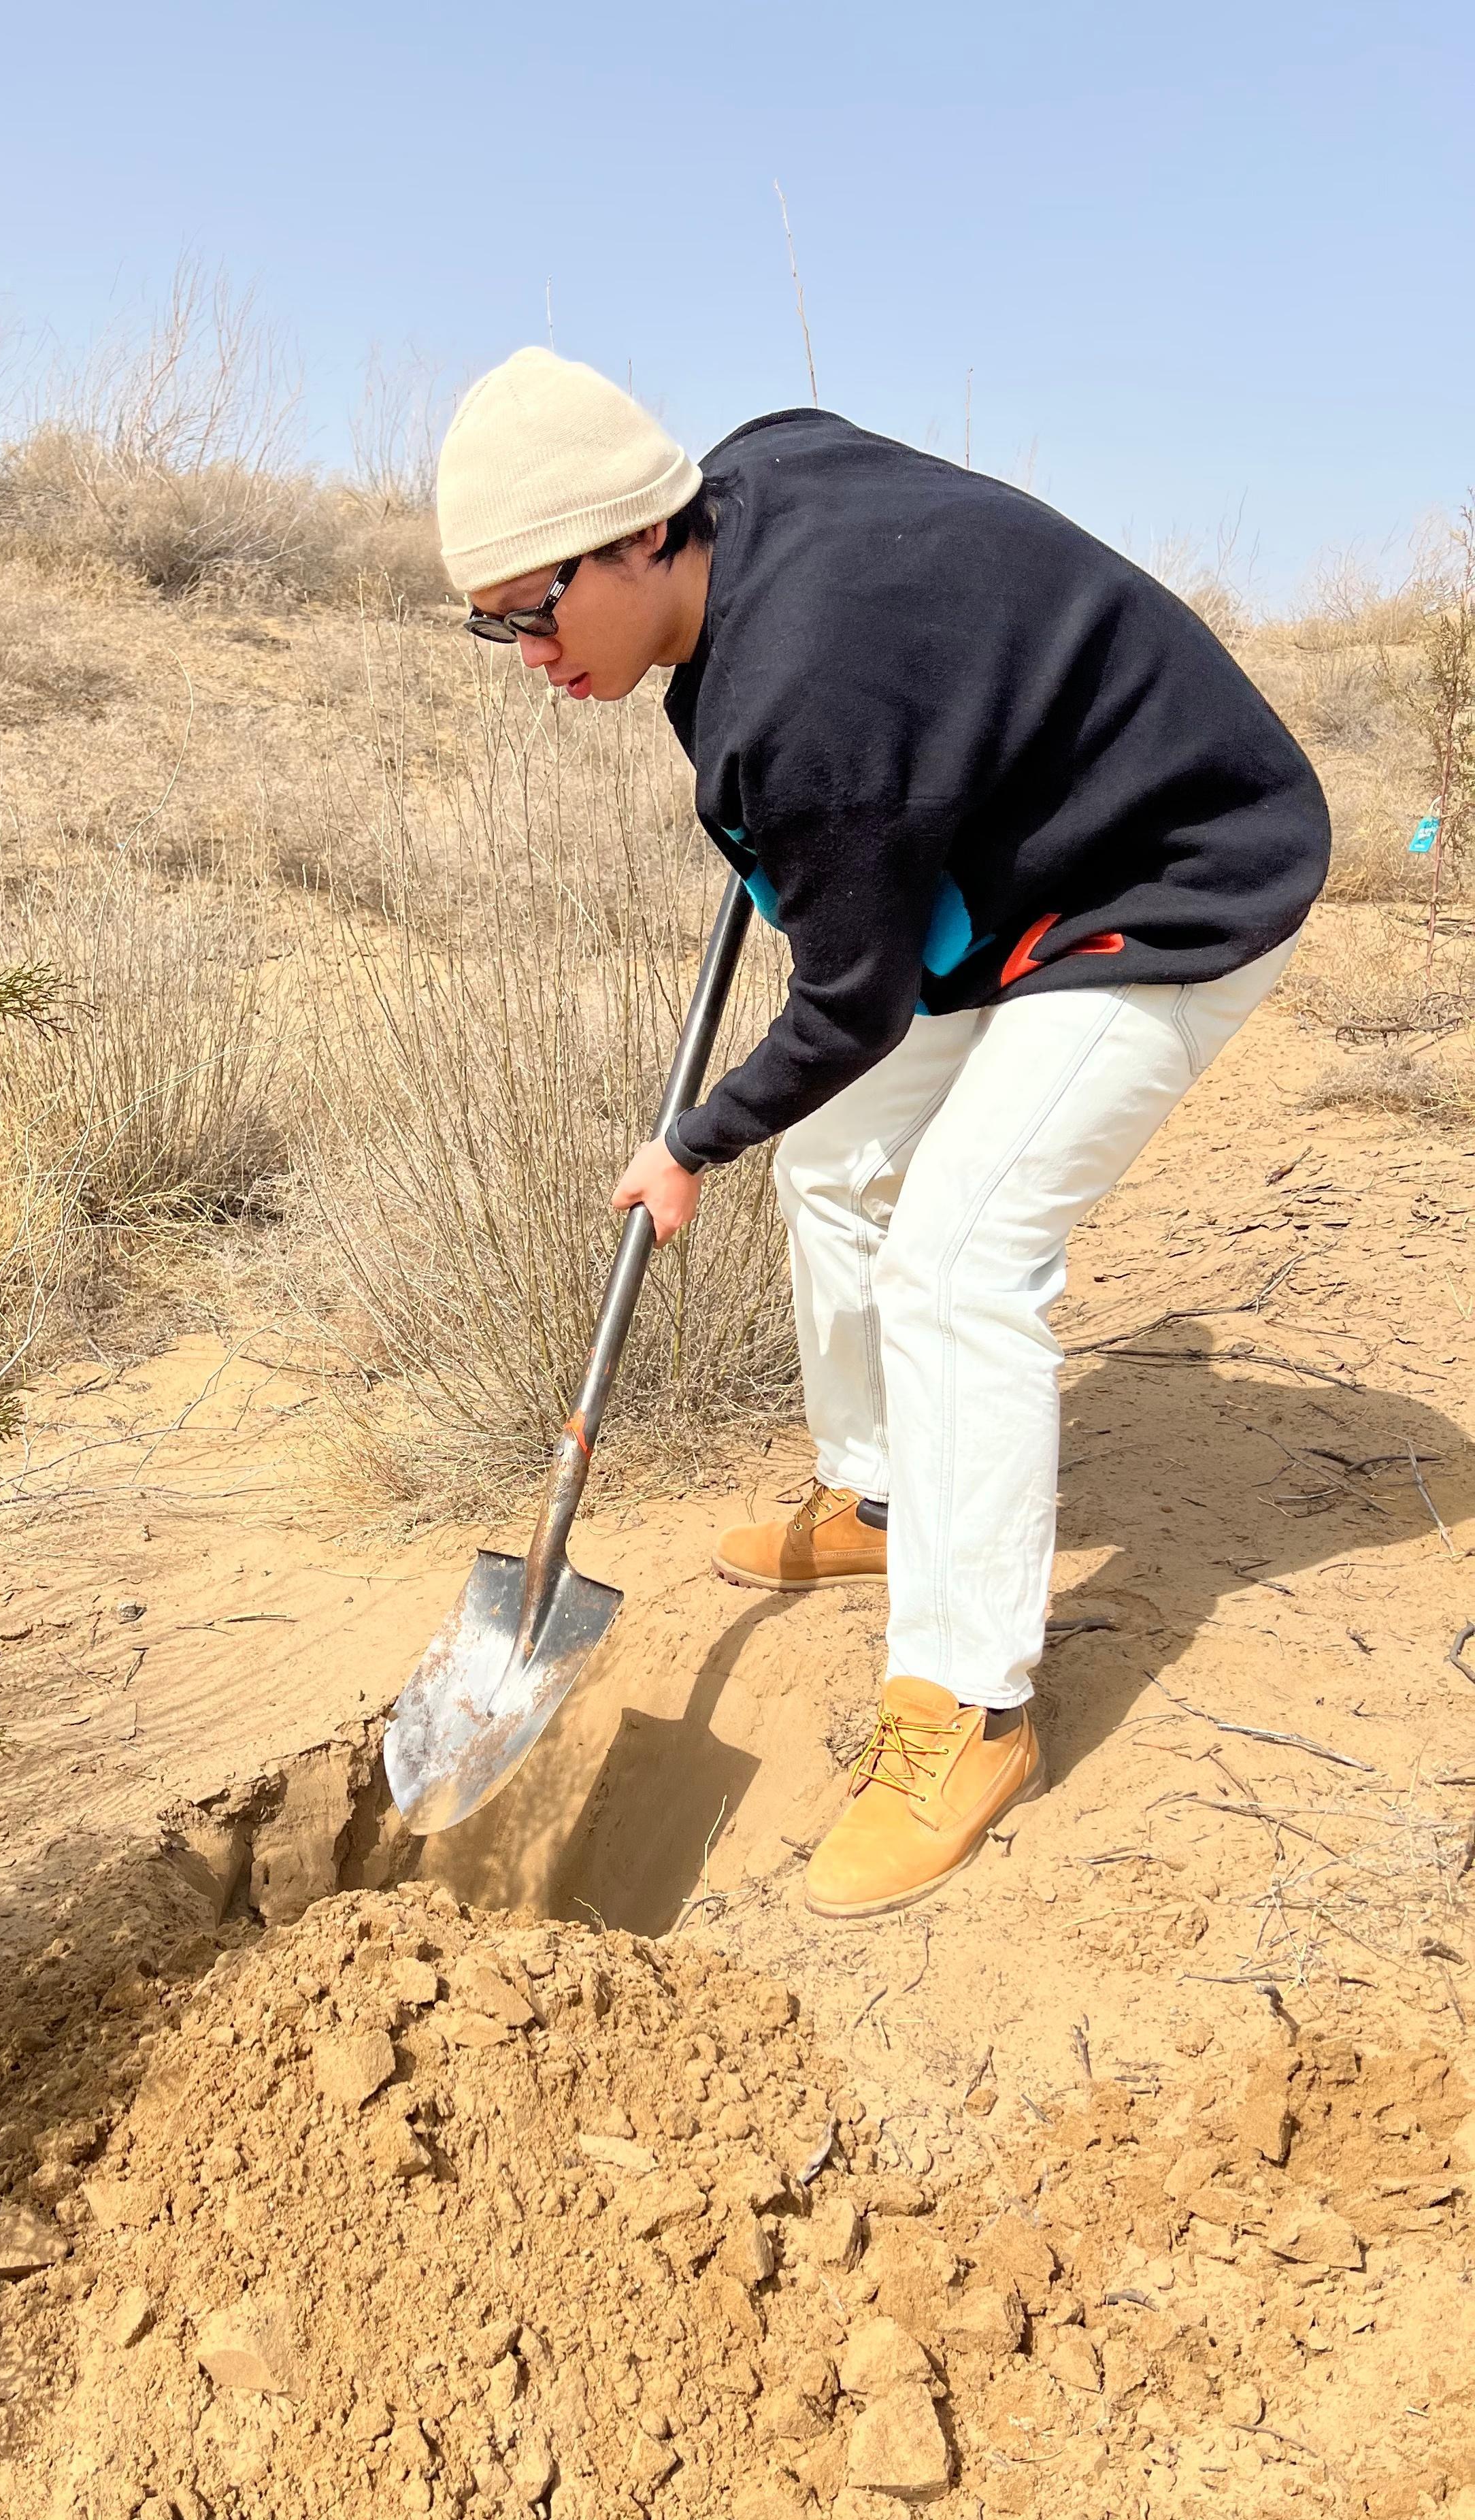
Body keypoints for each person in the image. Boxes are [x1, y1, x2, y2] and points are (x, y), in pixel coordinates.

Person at [433, 347, 1331, 1920]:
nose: (529, 655)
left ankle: (969, 1708)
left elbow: (846, 1010)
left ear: (643, 536)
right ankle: (884, 1495)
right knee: (839, 1164)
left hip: (1173, 870)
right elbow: (835, 459)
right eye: (493, 623)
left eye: (536, 611)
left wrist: (692, 1140)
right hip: (1023, 852)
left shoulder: (804, 702)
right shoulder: (752, 474)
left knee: (957, 1255)